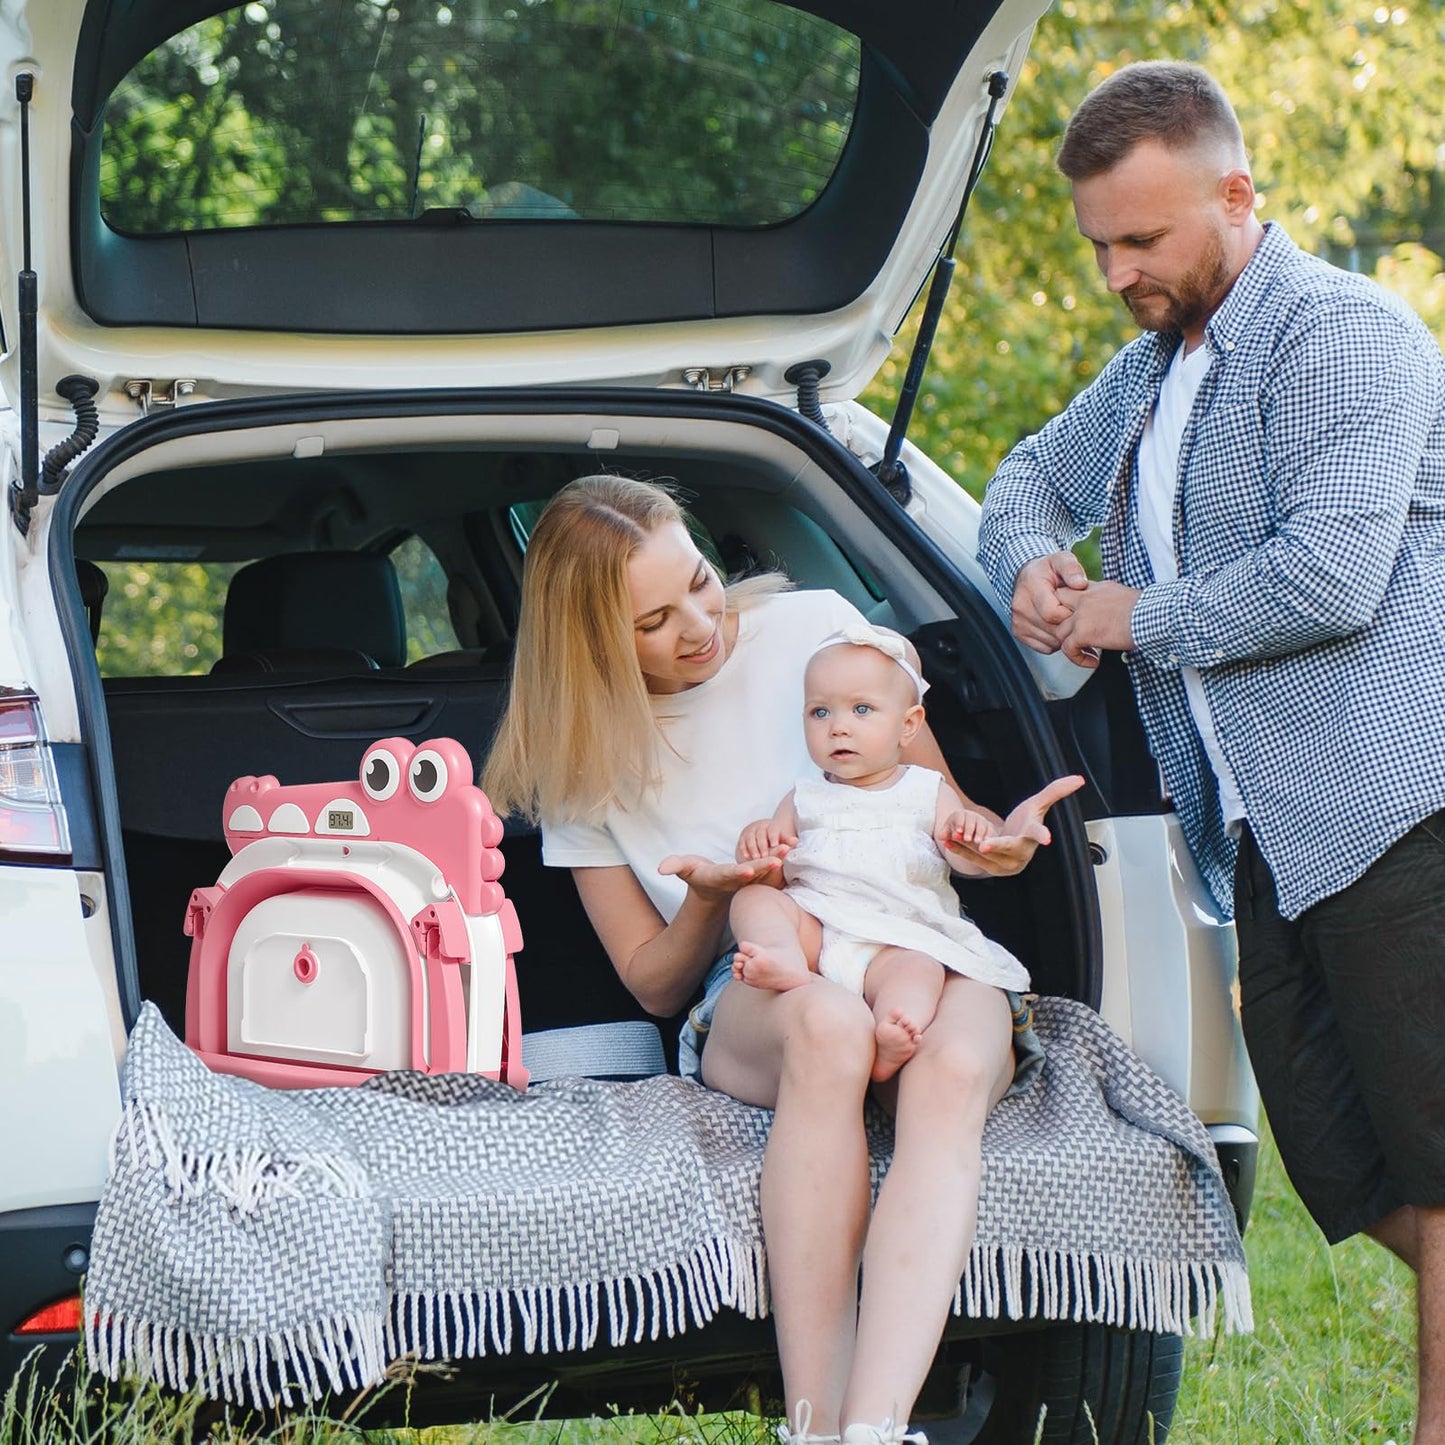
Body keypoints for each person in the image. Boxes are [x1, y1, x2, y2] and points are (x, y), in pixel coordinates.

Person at [975, 60, 1445, 1445]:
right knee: (1341, 1163)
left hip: (1393, 800)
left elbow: (1332, 576)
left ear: (1237, 194)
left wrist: (1131, 616)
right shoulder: (1150, 372)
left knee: (1431, 1144)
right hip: (1259, 832)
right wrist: (1034, 571)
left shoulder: (1345, 335)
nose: (1118, 269)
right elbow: (1021, 482)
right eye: (1100, 244)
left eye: (1144, 238)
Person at [483, 474, 1082, 1445]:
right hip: (758, 981)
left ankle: (872, 1427)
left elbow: (936, 814)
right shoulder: (580, 764)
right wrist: (714, 894)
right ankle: (810, 1426)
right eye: (653, 618)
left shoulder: (817, 626)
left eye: (699, 582)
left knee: (958, 1064)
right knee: (828, 1025)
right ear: (591, 642)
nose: (698, 624)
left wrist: (992, 846)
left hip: (914, 936)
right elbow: (652, 980)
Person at [729, 622, 1039, 1086]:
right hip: (820, 930)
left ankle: (893, 1033)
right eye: (819, 713)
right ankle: (782, 955)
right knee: (751, 902)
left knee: (920, 970)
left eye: (861, 709)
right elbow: (772, 872)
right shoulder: (803, 796)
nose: (838, 727)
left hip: (900, 937)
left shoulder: (926, 790)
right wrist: (757, 842)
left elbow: (962, 859)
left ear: (908, 725)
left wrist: (972, 837)